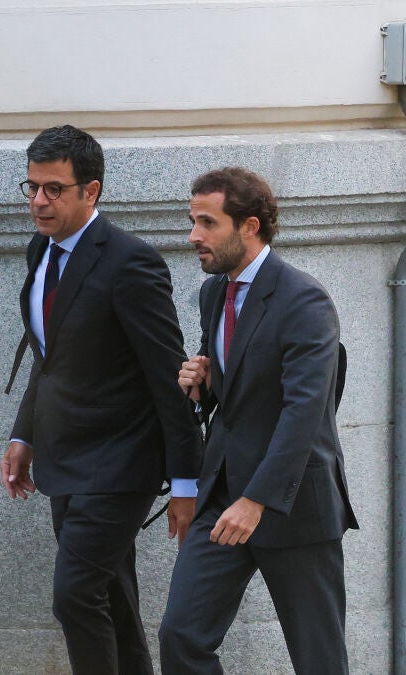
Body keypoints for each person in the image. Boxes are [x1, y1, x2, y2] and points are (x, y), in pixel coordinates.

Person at [0, 125, 202, 674]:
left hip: (119, 464)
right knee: (111, 597)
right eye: (33, 187)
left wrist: (186, 482)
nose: (39, 201)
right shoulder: (41, 251)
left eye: (54, 189)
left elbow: (169, 376)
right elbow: (50, 356)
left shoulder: (130, 262)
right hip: (63, 460)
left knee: (75, 596)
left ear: (91, 191)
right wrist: (24, 434)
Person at [159, 167, 358, 674]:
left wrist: (257, 500)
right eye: (192, 221)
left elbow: (304, 413)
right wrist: (203, 383)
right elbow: (239, 388)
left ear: (249, 226)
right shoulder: (213, 294)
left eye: (208, 222)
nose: (194, 235)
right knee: (181, 636)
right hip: (223, 494)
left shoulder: (304, 299)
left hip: (291, 503)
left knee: (318, 660)